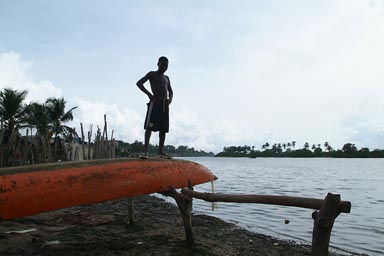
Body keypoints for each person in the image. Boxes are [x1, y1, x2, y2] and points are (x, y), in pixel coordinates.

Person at [136, 56, 173, 159]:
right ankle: (145, 152)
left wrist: (169, 100)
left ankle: (160, 152)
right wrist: (149, 95)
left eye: (166, 66)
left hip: (164, 106)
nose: (164, 67)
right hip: (155, 104)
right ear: (158, 64)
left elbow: (171, 91)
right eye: (162, 65)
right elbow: (139, 83)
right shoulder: (152, 74)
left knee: (163, 129)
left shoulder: (167, 78)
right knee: (149, 127)